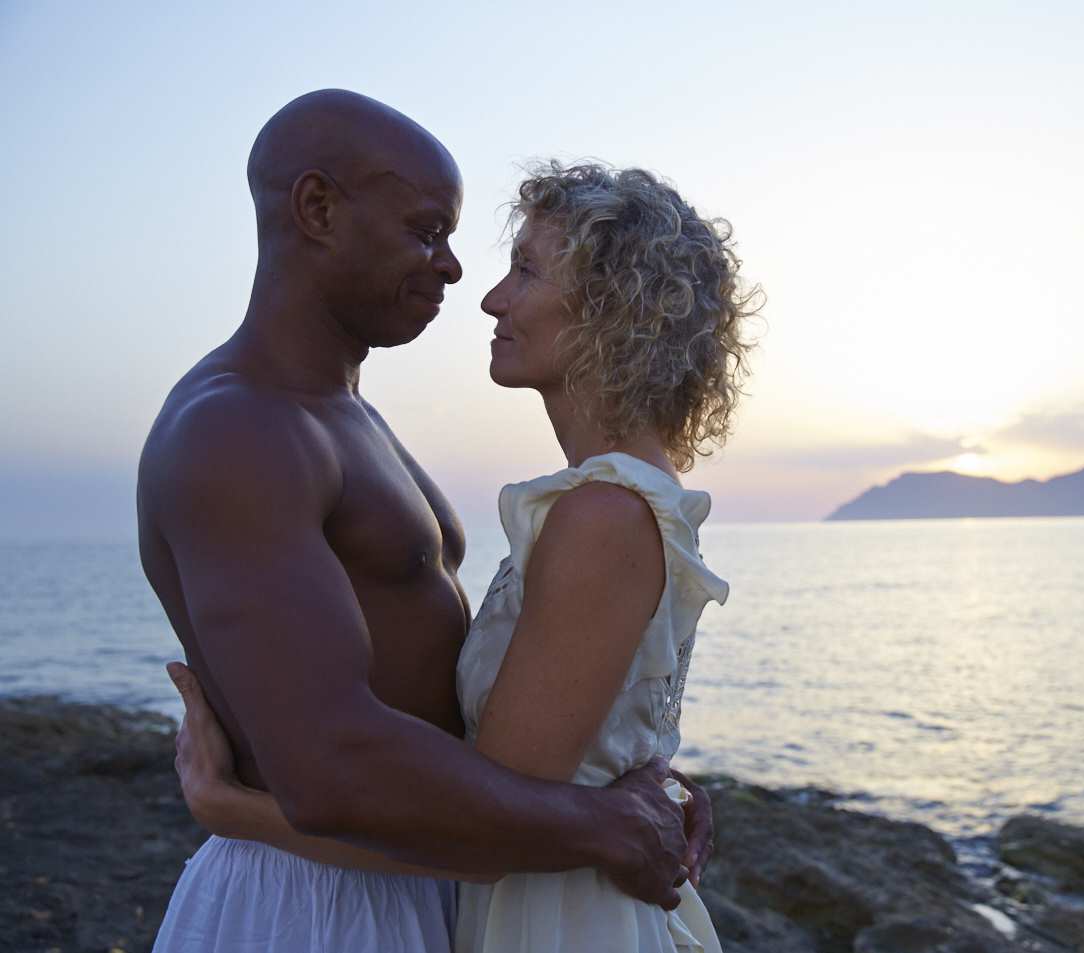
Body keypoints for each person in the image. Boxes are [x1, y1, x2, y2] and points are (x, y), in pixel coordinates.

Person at [138, 90, 709, 953]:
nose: (455, 274)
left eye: (509, 265)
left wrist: (630, 778)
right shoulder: (239, 431)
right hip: (314, 911)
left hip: (428, 879)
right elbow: (330, 766)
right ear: (318, 209)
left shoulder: (344, 418)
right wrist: (604, 823)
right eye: (426, 231)